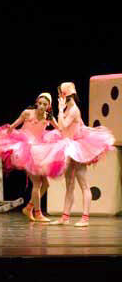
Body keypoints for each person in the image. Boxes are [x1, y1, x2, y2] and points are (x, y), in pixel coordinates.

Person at [49, 82, 115, 227]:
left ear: (65, 94)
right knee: (69, 185)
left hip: (77, 149)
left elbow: (63, 126)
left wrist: (59, 110)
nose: (59, 95)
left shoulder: (73, 110)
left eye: (60, 93)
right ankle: (65, 217)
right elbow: (65, 129)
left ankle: (85, 218)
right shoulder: (68, 109)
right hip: (70, 146)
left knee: (83, 184)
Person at [0, 93, 60, 222]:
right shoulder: (28, 113)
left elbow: (60, 129)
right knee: (37, 183)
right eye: (40, 103)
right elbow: (14, 125)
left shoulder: (49, 118)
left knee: (46, 184)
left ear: (49, 106)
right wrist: (6, 136)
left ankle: (28, 208)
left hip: (39, 150)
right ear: (36, 103)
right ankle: (38, 213)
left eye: (45, 104)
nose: (42, 106)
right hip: (25, 149)